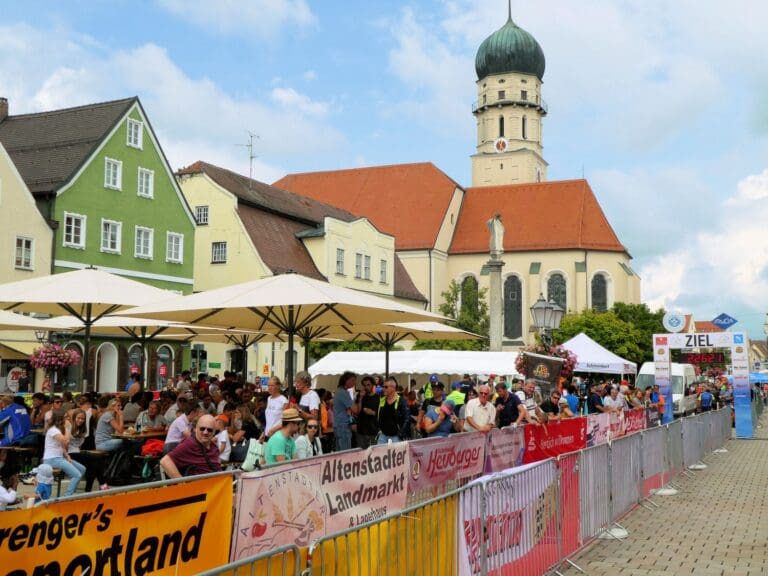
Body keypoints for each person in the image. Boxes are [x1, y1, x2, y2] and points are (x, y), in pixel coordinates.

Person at [160, 414, 222, 478]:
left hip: (216, 484)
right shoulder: (189, 444)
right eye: (202, 429)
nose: (205, 432)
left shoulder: (214, 447)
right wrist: (182, 483)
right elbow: (165, 461)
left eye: (209, 430)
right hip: (199, 486)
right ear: (196, 429)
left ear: (214, 432)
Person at [42, 410, 85, 497]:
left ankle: (72, 491)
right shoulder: (53, 430)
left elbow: (61, 446)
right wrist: (68, 428)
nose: (68, 419)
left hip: (59, 458)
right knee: (77, 475)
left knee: (82, 469)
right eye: (66, 417)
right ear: (60, 419)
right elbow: (66, 441)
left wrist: (67, 455)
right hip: (52, 459)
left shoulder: (58, 429)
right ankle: (68, 496)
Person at [68, 408, 109, 491]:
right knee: (98, 458)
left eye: (82, 419)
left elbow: (79, 446)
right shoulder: (68, 426)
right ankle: (102, 483)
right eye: (78, 418)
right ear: (74, 417)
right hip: (68, 454)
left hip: (77, 452)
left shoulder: (83, 430)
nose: (80, 420)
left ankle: (89, 489)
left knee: (93, 464)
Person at [377, 377, 410, 444]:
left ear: (393, 388)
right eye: (383, 386)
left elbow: (407, 419)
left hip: (396, 437)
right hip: (383, 435)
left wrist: (401, 433)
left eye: (386, 387)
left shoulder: (401, 401)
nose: (383, 389)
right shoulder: (382, 400)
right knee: (379, 453)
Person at [333, 371, 358, 451]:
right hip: (343, 426)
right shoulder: (343, 393)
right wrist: (359, 398)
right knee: (345, 453)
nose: (354, 382)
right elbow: (355, 410)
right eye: (353, 380)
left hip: (339, 425)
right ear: (347, 380)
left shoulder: (339, 391)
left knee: (340, 451)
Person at [355, 376, 380, 449]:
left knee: (373, 452)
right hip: (361, 430)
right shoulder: (360, 396)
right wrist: (360, 398)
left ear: (372, 385)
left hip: (373, 430)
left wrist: (373, 413)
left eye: (368, 385)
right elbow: (357, 412)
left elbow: (381, 414)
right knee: (361, 453)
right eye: (364, 385)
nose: (366, 387)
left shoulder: (377, 398)